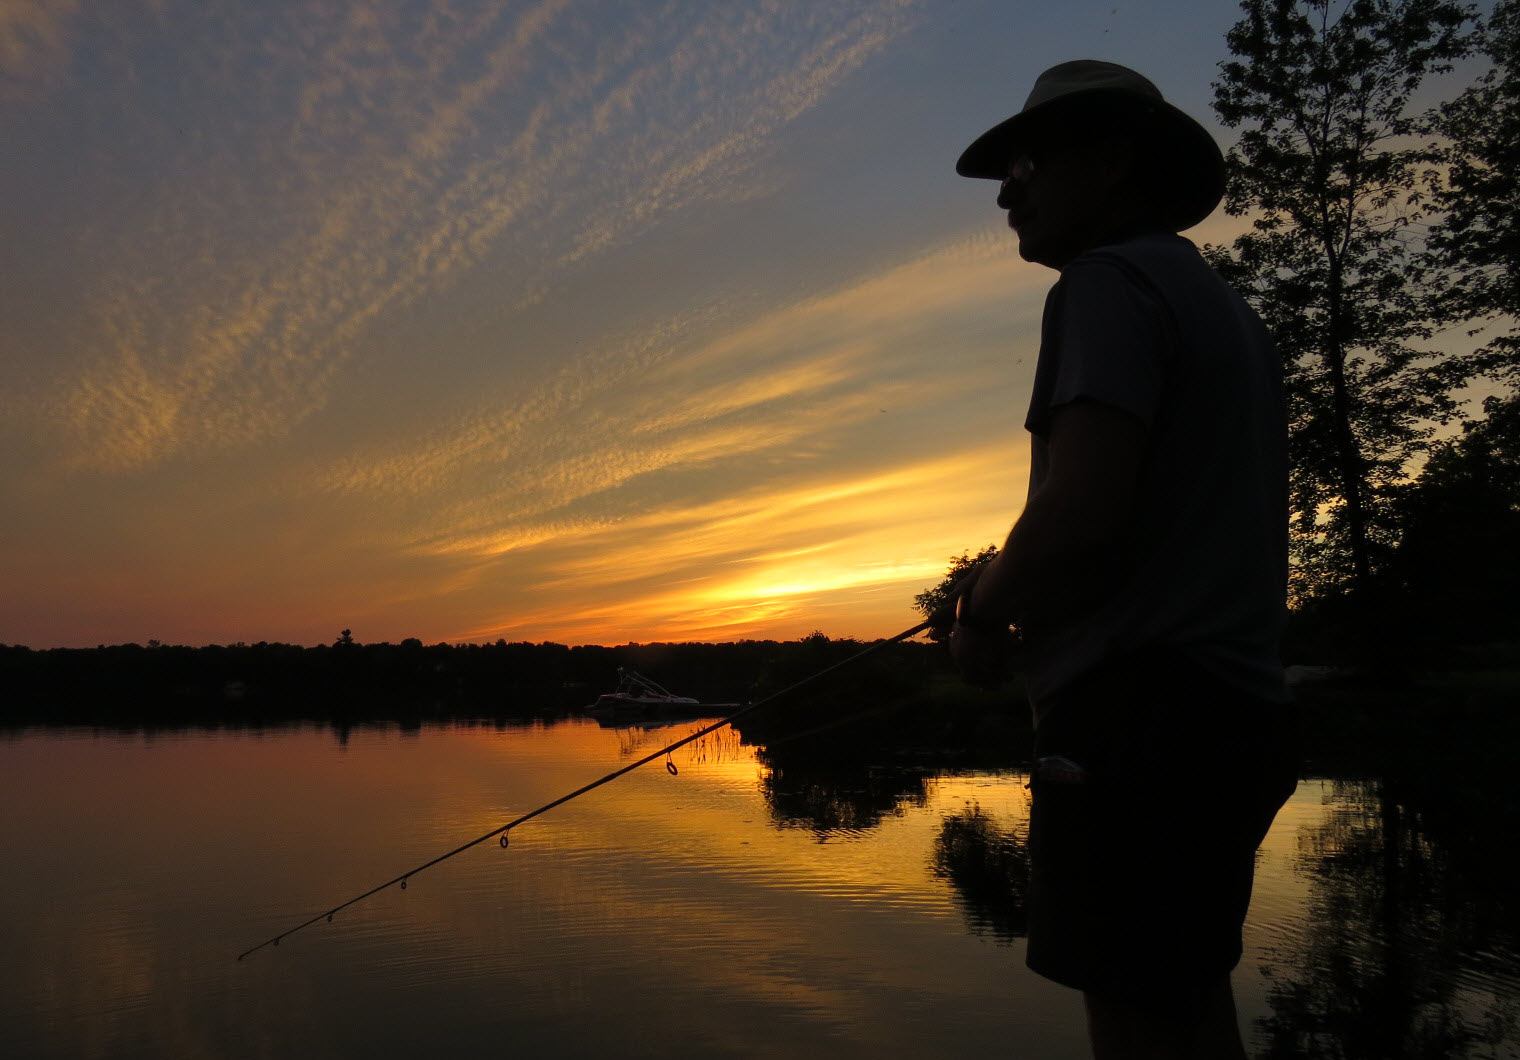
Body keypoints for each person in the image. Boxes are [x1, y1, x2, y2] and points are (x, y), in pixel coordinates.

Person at [946, 61, 1299, 1059]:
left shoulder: (1105, 282)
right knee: (1183, 1001)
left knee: (1134, 1019)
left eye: (1022, 162)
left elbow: (1080, 507)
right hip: (1228, 716)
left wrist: (980, 609)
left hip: (1139, 723)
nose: (1005, 191)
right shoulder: (1219, 308)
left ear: (1105, 162)